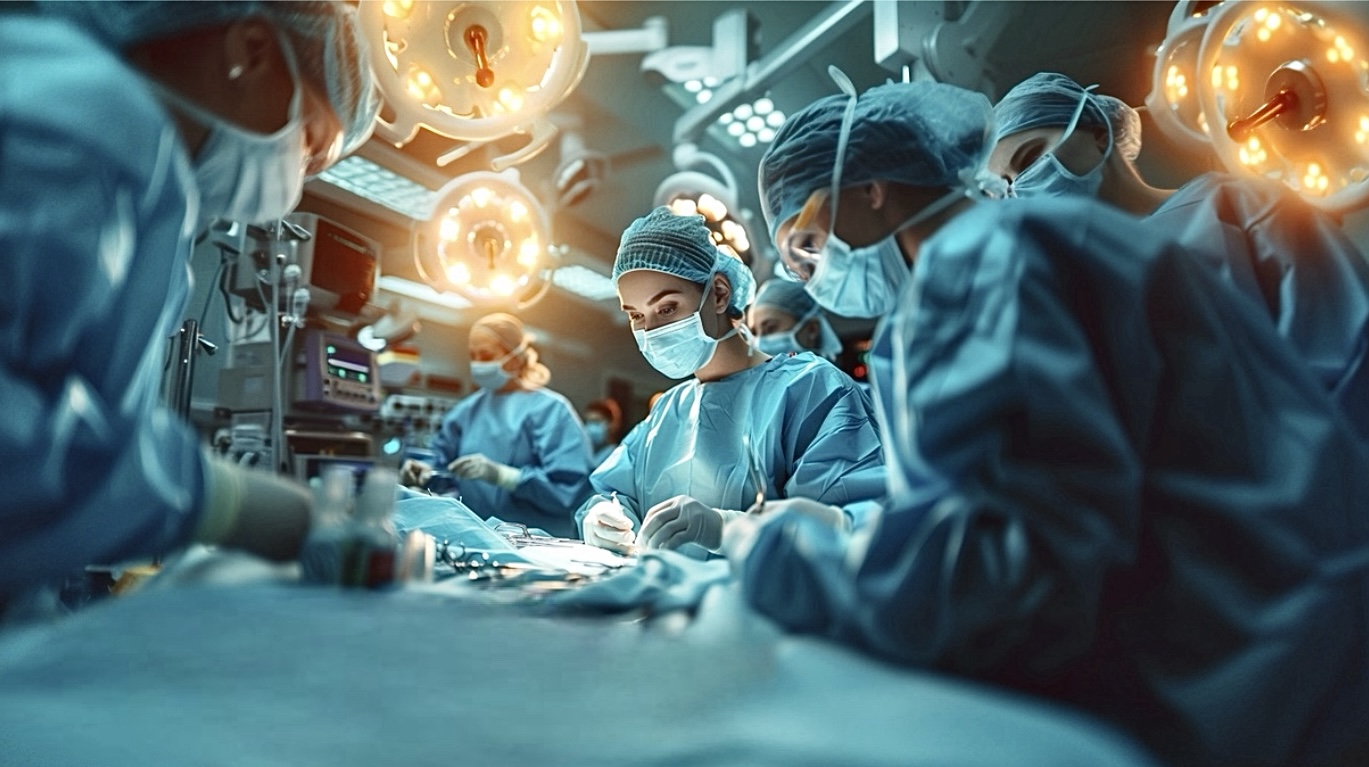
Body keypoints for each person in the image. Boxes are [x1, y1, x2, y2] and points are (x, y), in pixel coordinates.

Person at [733, 74, 1369, 767]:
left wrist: (778, 557)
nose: (809, 271)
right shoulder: (1028, 249)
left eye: (804, 243)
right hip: (1295, 640)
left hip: (1257, 681)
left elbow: (1011, 574)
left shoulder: (990, 262)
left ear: (868, 188)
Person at [0, 1, 379, 605]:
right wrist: (216, 498)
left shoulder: (140, 168)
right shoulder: (85, 122)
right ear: (252, 50)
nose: (297, 180)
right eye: (309, 144)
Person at [989, 72, 1369, 447]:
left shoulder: (1236, 207)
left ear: (1098, 131)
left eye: (1029, 159)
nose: (1019, 190)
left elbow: (1351, 350)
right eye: (1003, 187)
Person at [576, 207, 886, 558]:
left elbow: (854, 529)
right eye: (635, 315)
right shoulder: (668, 410)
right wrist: (602, 515)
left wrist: (730, 531)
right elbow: (614, 491)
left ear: (720, 294)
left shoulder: (813, 390)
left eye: (667, 308)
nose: (651, 331)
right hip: (662, 604)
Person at [399, 314, 593, 539]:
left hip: (538, 543)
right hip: (474, 538)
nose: (478, 363)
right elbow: (441, 459)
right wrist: (423, 470)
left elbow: (568, 490)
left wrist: (506, 477)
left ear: (516, 357)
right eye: (473, 355)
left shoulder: (551, 410)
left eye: (487, 355)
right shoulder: (467, 410)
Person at [746, 278, 844, 360]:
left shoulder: (838, 381)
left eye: (771, 328)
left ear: (812, 329)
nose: (760, 342)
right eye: (754, 334)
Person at [583, 398, 623, 468]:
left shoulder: (618, 458)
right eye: (587, 422)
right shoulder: (584, 455)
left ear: (611, 425)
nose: (590, 427)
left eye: (596, 422)